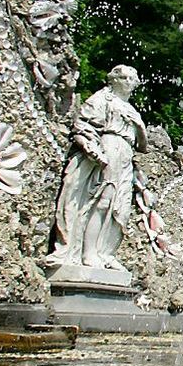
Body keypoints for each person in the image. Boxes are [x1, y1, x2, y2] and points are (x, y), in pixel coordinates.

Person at [46, 65, 147, 273]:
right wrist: (94, 150)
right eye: (126, 78)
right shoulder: (102, 99)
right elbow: (82, 126)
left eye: (133, 79)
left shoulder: (131, 109)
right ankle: (88, 252)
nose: (130, 83)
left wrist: (138, 125)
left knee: (120, 207)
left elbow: (142, 146)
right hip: (109, 148)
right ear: (114, 80)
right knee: (102, 201)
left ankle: (105, 252)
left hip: (126, 156)